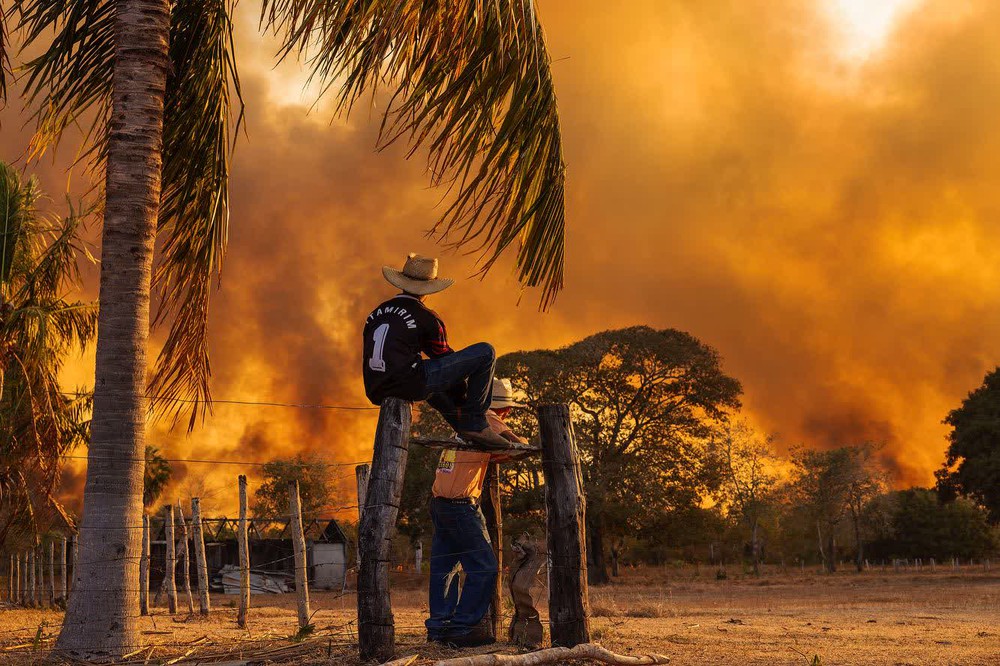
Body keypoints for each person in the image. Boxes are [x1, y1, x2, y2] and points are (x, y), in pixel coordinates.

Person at [362, 253, 510, 449]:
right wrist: (463, 392)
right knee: (485, 352)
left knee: (431, 386)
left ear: (402, 283)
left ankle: (463, 429)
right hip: (408, 383)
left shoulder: (377, 313)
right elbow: (443, 356)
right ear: (428, 289)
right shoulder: (426, 317)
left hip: (375, 388)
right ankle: (475, 424)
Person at [425, 378, 531, 647]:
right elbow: (516, 445)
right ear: (503, 408)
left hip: (440, 503)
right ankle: (462, 628)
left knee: (445, 568)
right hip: (461, 506)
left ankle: (439, 629)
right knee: (485, 568)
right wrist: (522, 443)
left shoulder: (465, 422)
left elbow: (493, 454)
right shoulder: (486, 416)